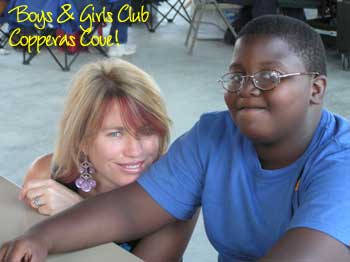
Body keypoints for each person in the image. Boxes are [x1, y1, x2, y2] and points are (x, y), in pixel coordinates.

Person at [1, 15, 350, 261]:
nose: (247, 90)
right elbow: (129, 210)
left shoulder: (341, 162)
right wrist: (41, 237)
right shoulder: (214, 135)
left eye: (269, 76)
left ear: (316, 89)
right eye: (237, 77)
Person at [14, 58, 198, 261]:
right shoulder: (46, 172)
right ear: (82, 139)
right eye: (115, 133)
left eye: (147, 132)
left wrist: (75, 215)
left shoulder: (178, 192)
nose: (135, 151)